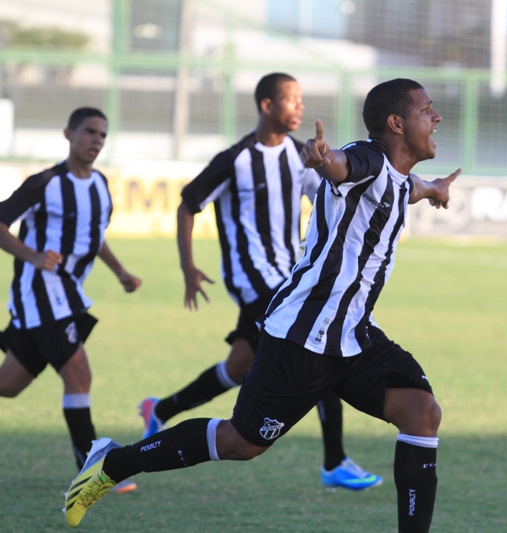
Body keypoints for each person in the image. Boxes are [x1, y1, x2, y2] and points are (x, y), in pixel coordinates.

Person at [64, 79, 459, 532]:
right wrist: (324, 160)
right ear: (396, 123)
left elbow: (403, 186)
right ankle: (112, 463)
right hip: (302, 335)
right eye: (427, 109)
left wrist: (433, 189)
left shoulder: (394, 176)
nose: (437, 117)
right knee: (241, 443)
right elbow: (345, 166)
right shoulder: (366, 160)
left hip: (353, 334)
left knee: (422, 413)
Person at [137, 72, 380, 490]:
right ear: (267, 106)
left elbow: (324, 193)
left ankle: (159, 408)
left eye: (302, 99)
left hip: (289, 277)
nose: (299, 107)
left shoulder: (295, 153)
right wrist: (188, 268)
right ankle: (334, 461)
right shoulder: (235, 159)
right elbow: (187, 204)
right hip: (254, 281)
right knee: (317, 345)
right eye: (291, 100)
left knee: (241, 364)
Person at [0, 107, 141, 494]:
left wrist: (120, 272)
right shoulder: (44, 183)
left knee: (9, 385)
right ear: (69, 134)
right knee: (79, 373)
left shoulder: (100, 185)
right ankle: (93, 471)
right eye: (90, 132)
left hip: (69, 295)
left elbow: (93, 237)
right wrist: (31, 255)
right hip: (41, 293)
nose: (96, 140)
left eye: (103, 135)